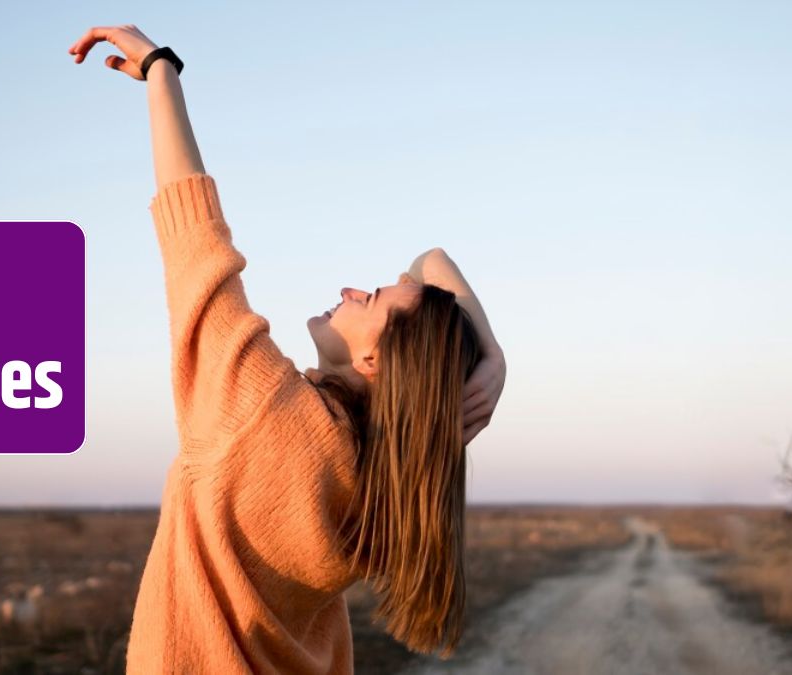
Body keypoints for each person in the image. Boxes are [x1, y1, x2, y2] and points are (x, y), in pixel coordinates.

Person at [69, 24, 507, 674]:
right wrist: (488, 352)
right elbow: (431, 262)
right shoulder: (393, 468)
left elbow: (195, 238)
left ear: (376, 362)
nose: (351, 288)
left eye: (372, 298)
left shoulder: (267, 409)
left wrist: (161, 69)